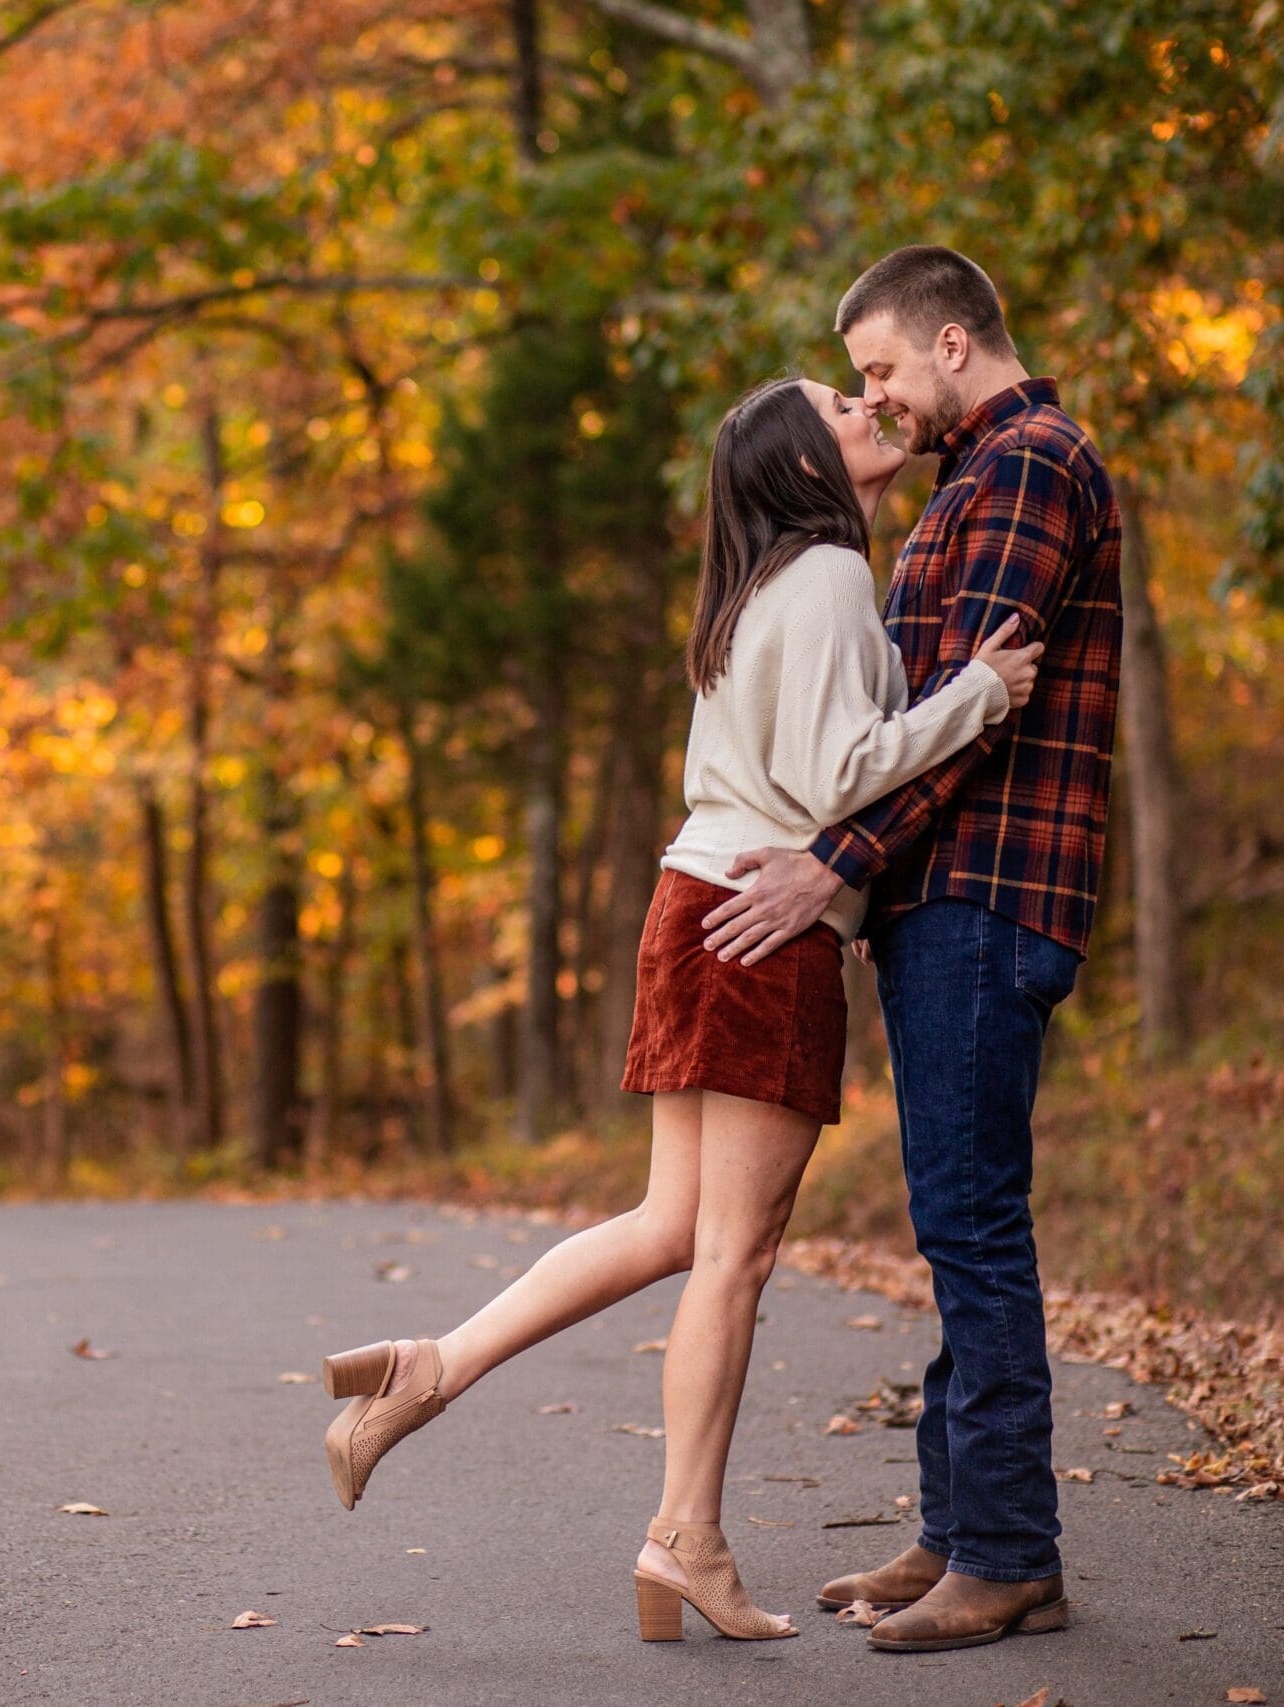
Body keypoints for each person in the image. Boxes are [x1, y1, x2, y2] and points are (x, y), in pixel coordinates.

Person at [318, 367, 1044, 1643]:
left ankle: (429, 1370)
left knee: (670, 1227)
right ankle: (684, 1539)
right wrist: (978, 696)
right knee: (730, 1254)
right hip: (761, 926)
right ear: (801, 465)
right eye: (839, 405)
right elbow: (834, 776)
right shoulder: (821, 575)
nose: (866, 408)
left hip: (692, 906)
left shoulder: (759, 590)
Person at [699, 245, 1123, 1653]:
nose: (874, 395)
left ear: (954, 342)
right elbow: (913, 716)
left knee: (974, 1224)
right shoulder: (968, 483)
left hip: (987, 895)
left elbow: (973, 712)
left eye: (879, 368)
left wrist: (833, 862)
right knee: (955, 1219)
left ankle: (1007, 1552)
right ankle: (959, 1527)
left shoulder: (1029, 467)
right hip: (939, 897)